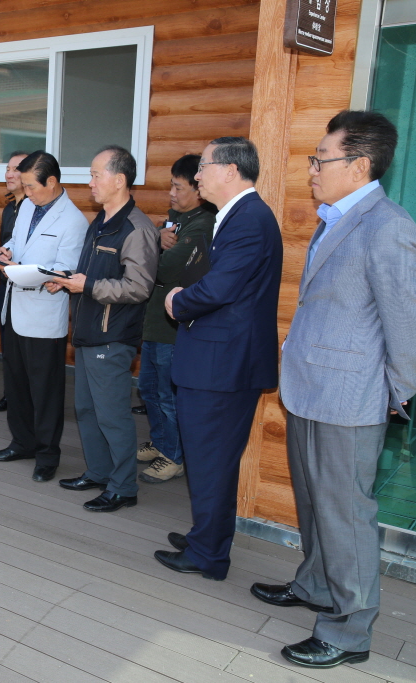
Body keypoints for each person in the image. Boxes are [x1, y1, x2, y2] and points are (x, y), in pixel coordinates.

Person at [262, 111, 416, 669]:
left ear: (357, 166)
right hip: (311, 388)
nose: (311, 170)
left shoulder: (390, 227)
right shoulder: (335, 217)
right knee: (314, 504)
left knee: (346, 515)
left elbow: (410, 326)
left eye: (320, 159)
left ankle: (349, 630)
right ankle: (316, 584)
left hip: (351, 399)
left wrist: (391, 392)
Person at [154, 137, 282, 581]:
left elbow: (220, 289)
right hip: (217, 361)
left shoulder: (248, 219)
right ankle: (205, 537)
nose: (197, 176)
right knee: (210, 459)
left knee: (212, 461)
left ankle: (208, 555)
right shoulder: (237, 216)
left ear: (230, 170)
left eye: (204, 167)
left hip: (223, 367)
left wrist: (177, 300)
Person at [51, 146, 158, 511]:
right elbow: (92, 273)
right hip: (88, 329)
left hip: (112, 337)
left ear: (119, 180)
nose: (90, 182)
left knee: (112, 416)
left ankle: (124, 487)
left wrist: (88, 287)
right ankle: (99, 472)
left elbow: (139, 287)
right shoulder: (100, 222)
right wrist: (64, 280)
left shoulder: (136, 229)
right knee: (86, 409)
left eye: (96, 174)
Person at [0, 151, 87, 482]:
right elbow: (18, 242)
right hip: (14, 308)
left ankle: (48, 454)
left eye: (31, 186)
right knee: (16, 382)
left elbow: (63, 272)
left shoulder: (73, 221)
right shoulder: (27, 206)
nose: (26, 192)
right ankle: (22, 442)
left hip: (44, 315)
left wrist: (21, 270)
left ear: (52, 182)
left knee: (45, 390)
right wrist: (6, 252)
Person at [136, 155, 216, 484]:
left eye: (178, 187)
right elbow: (153, 256)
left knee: (168, 396)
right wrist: (157, 237)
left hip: (174, 326)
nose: (170, 192)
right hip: (154, 319)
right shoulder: (175, 221)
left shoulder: (203, 225)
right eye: (171, 184)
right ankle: (162, 442)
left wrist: (154, 247)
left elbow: (168, 270)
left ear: (198, 190)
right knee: (149, 389)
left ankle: (175, 457)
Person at [0, 151, 28, 413]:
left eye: (16, 169)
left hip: (26, 288)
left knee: (24, 347)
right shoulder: (8, 207)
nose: (9, 174)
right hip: (5, 287)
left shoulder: (35, 209)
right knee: (8, 344)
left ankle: (25, 399)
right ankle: (10, 394)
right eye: (8, 168)